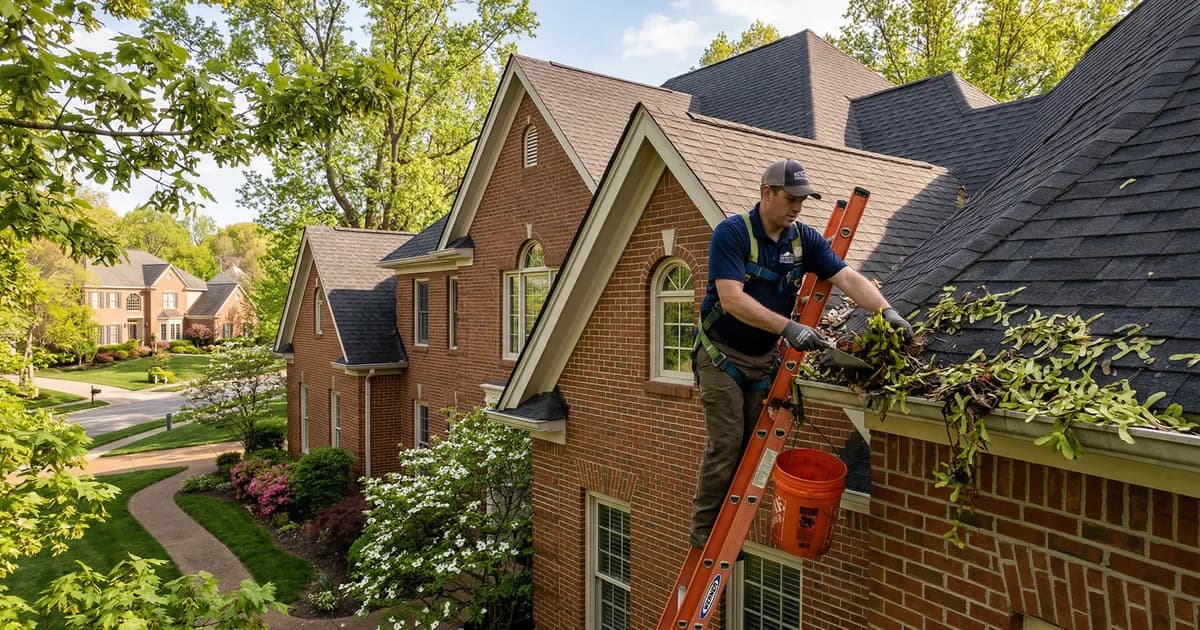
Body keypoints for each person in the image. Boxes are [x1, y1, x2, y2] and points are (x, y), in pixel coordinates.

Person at [689, 159, 912, 550]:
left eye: (802, 200)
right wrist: (788, 328)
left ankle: (731, 527)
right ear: (767, 193)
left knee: (749, 447)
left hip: (761, 360)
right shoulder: (733, 233)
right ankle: (705, 530)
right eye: (790, 198)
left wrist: (887, 311)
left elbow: (847, 277)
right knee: (727, 443)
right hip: (721, 356)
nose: (797, 207)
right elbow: (731, 299)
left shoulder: (802, 240)